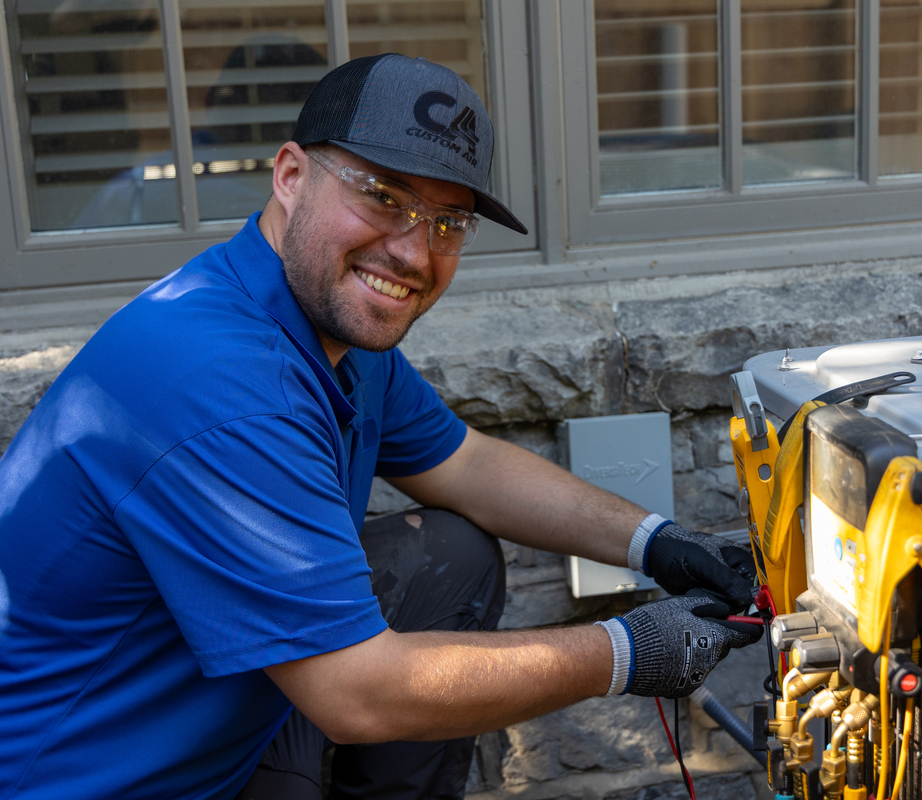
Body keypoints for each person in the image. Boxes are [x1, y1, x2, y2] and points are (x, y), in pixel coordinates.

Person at [0, 54, 762, 800]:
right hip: (94, 774)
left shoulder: (321, 325)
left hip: (227, 715)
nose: (412, 249)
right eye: (383, 196)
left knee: (451, 555)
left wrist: (658, 540)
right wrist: (629, 652)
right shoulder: (223, 381)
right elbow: (355, 693)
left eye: (447, 221)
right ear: (291, 176)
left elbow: (469, 467)